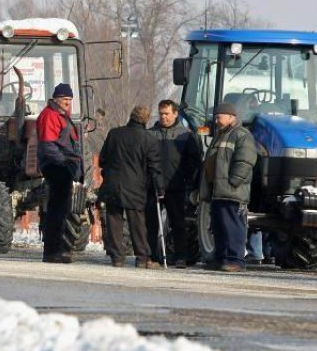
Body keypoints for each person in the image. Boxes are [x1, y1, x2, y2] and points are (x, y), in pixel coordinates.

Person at [99, 106, 163, 268]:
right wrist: (160, 188)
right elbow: (154, 167)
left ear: (131, 116)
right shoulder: (149, 139)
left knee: (114, 220)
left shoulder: (114, 133)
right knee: (137, 223)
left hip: (113, 184)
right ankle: (142, 257)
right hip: (136, 186)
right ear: (146, 119)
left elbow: (102, 159)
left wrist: (108, 174)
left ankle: (117, 257)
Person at [200, 103, 257, 272]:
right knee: (219, 226)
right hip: (218, 190)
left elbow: (245, 160)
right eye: (216, 117)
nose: (216, 120)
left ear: (231, 117)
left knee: (233, 226)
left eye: (220, 117)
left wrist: (233, 182)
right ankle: (221, 258)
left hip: (231, 191)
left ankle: (236, 260)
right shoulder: (221, 135)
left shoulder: (241, 135)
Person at [146, 99, 202, 268]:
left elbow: (194, 160)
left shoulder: (185, 135)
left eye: (167, 114)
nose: (163, 117)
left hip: (175, 186)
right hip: (153, 186)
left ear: (175, 113)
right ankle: (151, 256)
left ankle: (181, 257)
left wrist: (186, 177)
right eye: (161, 114)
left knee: (178, 222)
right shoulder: (150, 134)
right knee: (151, 223)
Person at [36, 82, 83, 263]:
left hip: (64, 166)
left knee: (62, 210)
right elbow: (48, 145)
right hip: (57, 166)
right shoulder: (50, 115)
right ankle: (52, 252)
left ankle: (59, 249)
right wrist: (64, 164)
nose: (67, 103)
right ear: (56, 99)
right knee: (57, 210)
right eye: (64, 99)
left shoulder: (63, 116)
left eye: (70, 100)